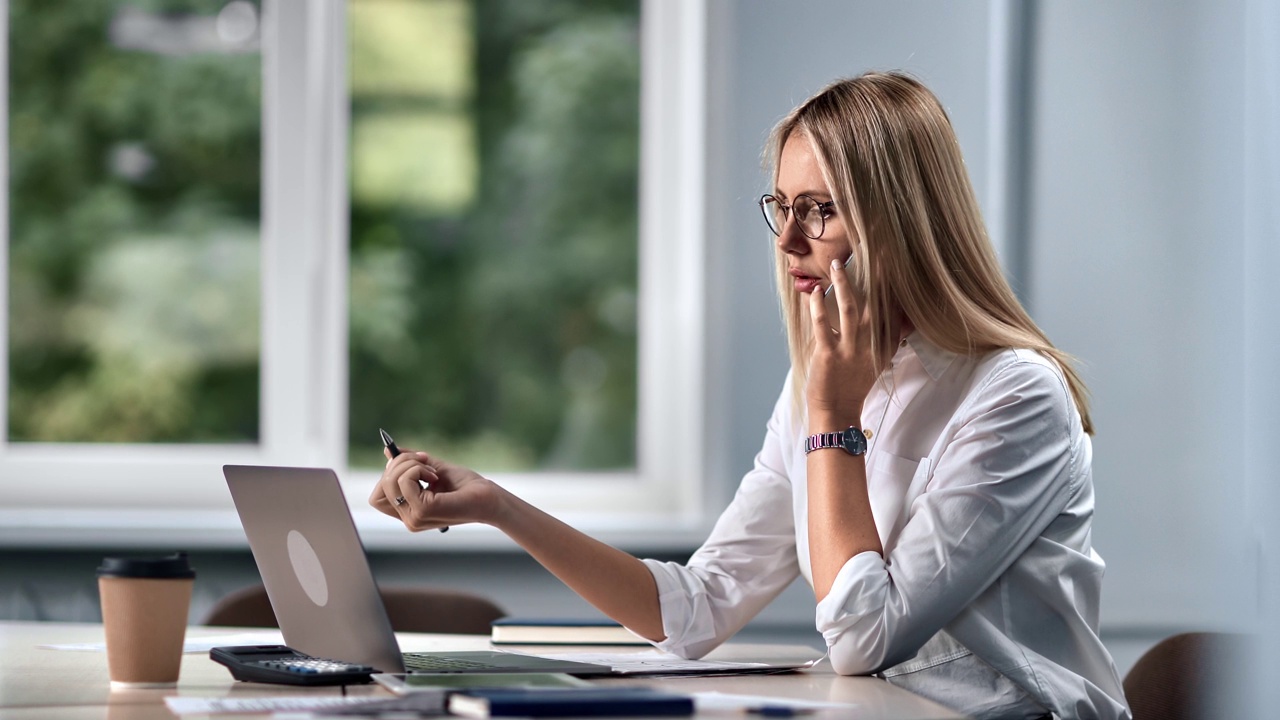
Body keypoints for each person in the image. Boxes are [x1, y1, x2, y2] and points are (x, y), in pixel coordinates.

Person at [371, 71, 1130, 720]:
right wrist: (500, 506)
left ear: (900, 221)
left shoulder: (1014, 394)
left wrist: (834, 419)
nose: (788, 240)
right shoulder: (818, 382)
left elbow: (866, 637)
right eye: (782, 205)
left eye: (820, 209)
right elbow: (696, 608)